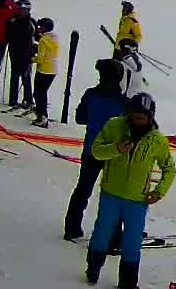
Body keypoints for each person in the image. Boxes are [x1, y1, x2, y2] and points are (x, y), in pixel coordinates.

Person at [84, 92, 176, 289]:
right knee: (102, 233)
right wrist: (116, 149)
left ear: (150, 117)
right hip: (111, 193)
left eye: (142, 118)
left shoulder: (157, 140)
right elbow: (96, 151)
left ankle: (128, 283)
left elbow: (169, 168)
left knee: (132, 243)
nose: (137, 121)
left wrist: (159, 191)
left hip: (137, 200)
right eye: (134, 117)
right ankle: (93, 266)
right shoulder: (114, 125)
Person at [66, 58, 130, 240]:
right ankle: (114, 235)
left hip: (91, 149)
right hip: (115, 153)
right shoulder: (123, 101)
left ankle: (72, 228)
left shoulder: (91, 95)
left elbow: (80, 118)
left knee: (83, 190)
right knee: (114, 194)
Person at [5, 0, 37, 108]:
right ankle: (13, 100)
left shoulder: (31, 22)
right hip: (14, 52)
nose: (21, 12)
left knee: (26, 76)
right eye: (19, 9)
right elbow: (7, 34)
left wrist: (35, 49)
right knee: (15, 75)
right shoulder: (12, 21)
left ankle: (28, 99)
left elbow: (36, 36)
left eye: (23, 10)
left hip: (27, 54)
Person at [32, 18, 60, 127]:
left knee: (38, 94)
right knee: (42, 93)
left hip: (43, 70)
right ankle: (42, 113)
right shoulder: (55, 38)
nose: (39, 28)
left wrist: (31, 59)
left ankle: (42, 116)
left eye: (41, 26)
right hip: (52, 70)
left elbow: (40, 58)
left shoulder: (43, 40)